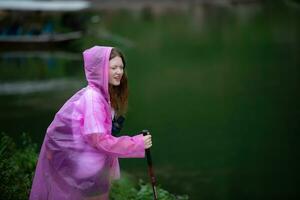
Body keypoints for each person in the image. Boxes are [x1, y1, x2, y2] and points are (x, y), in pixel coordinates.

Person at [29, 46, 152, 200]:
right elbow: (99, 140)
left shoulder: (102, 95)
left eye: (121, 67)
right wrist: (137, 143)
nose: (119, 72)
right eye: (113, 67)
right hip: (87, 171)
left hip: (93, 168)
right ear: (100, 69)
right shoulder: (92, 98)